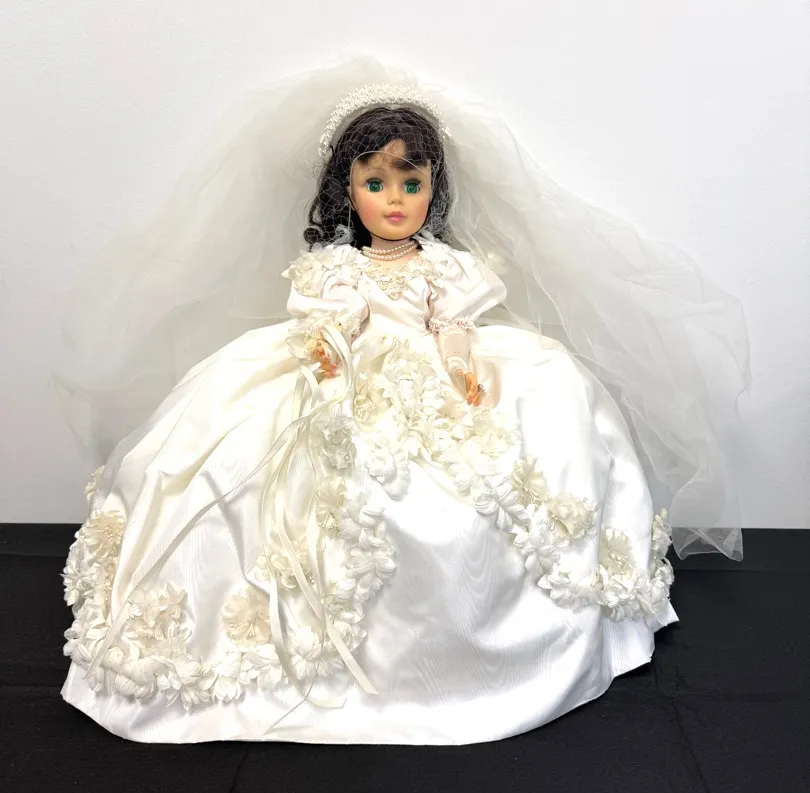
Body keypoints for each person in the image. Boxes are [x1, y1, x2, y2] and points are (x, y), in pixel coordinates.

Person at [58, 56, 749, 744]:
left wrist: (461, 365)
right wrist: (328, 353)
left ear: (433, 188)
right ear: (347, 189)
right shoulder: (338, 268)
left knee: (532, 422)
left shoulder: (443, 266)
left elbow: (452, 326)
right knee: (257, 457)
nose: (395, 200)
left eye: (411, 183)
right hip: (352, 372)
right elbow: (329, 326)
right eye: (376, 183)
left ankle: (495, 629)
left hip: (431, 373)